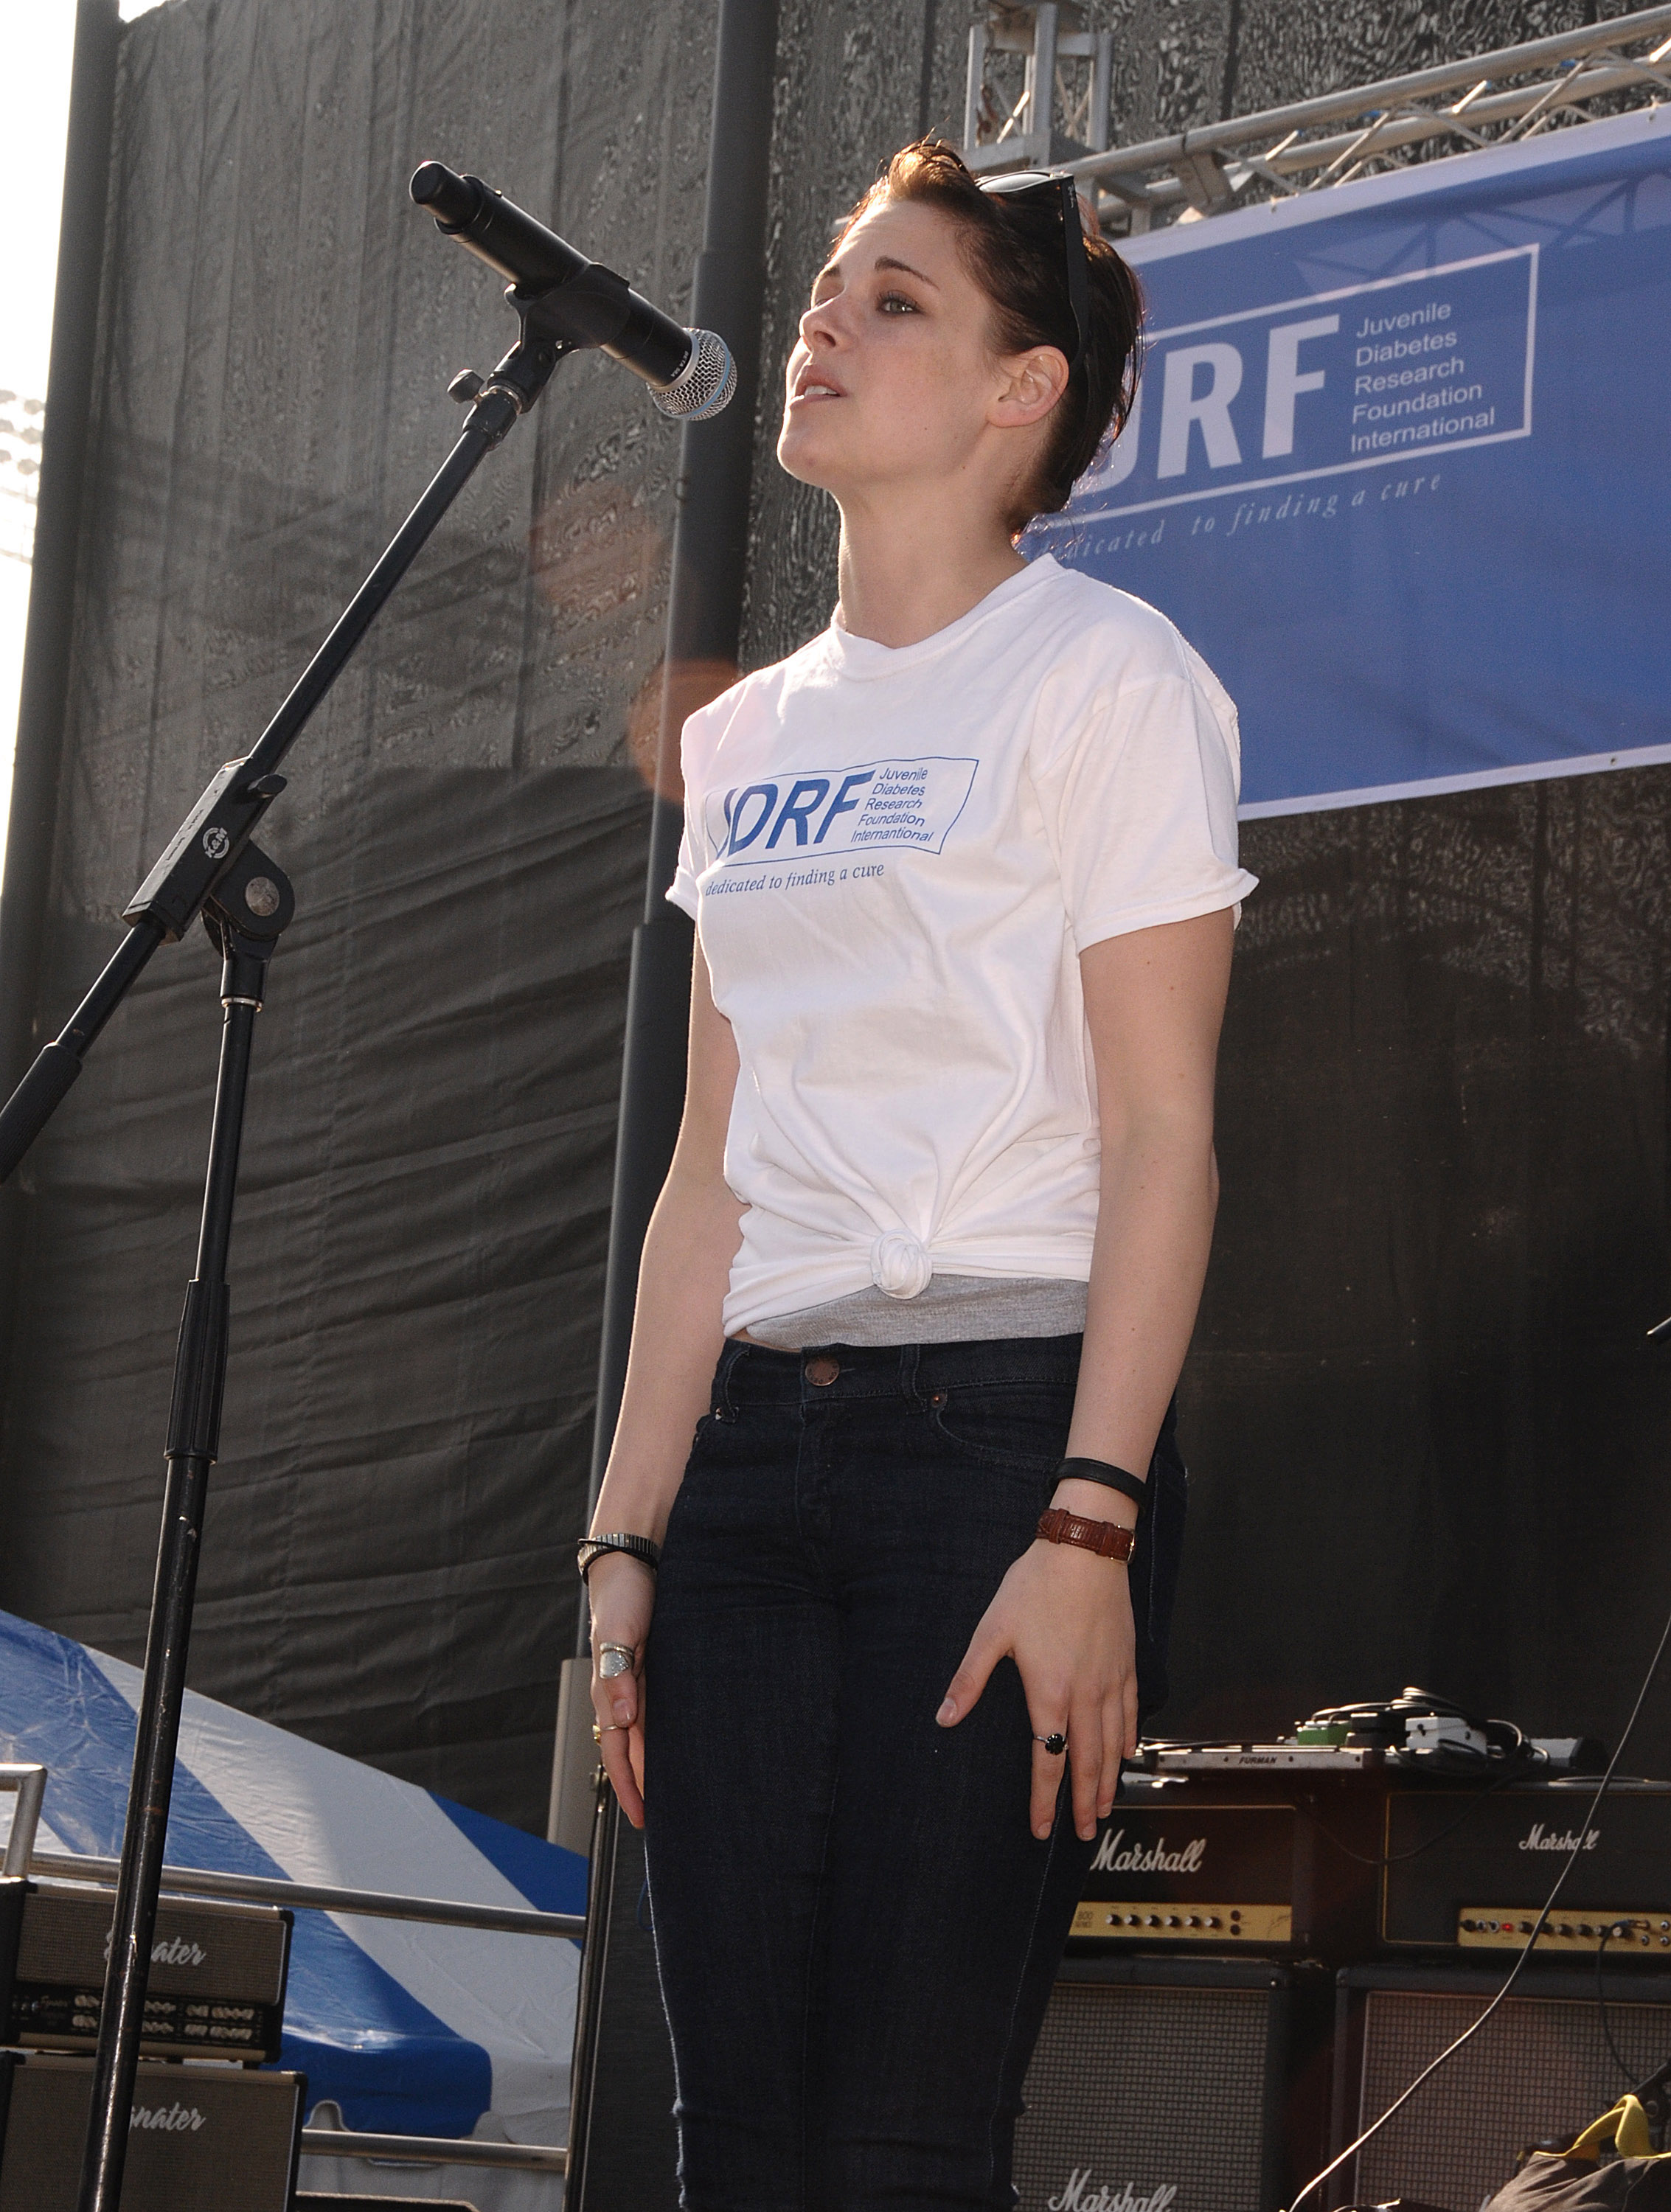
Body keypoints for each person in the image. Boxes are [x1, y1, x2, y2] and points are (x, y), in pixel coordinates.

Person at [577, 138, 1257, 2211]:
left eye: (893, 302)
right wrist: (622, 1537)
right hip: (746, 1466)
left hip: (998, 1447)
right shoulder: (745, 738)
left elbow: (1162, 1136)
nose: (822, 328)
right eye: (823, 293)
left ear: (1017, 389)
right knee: (735, 2145)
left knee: (900, 2139)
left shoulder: (1110, 675)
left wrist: (1091, 1519)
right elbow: (710, 1169)